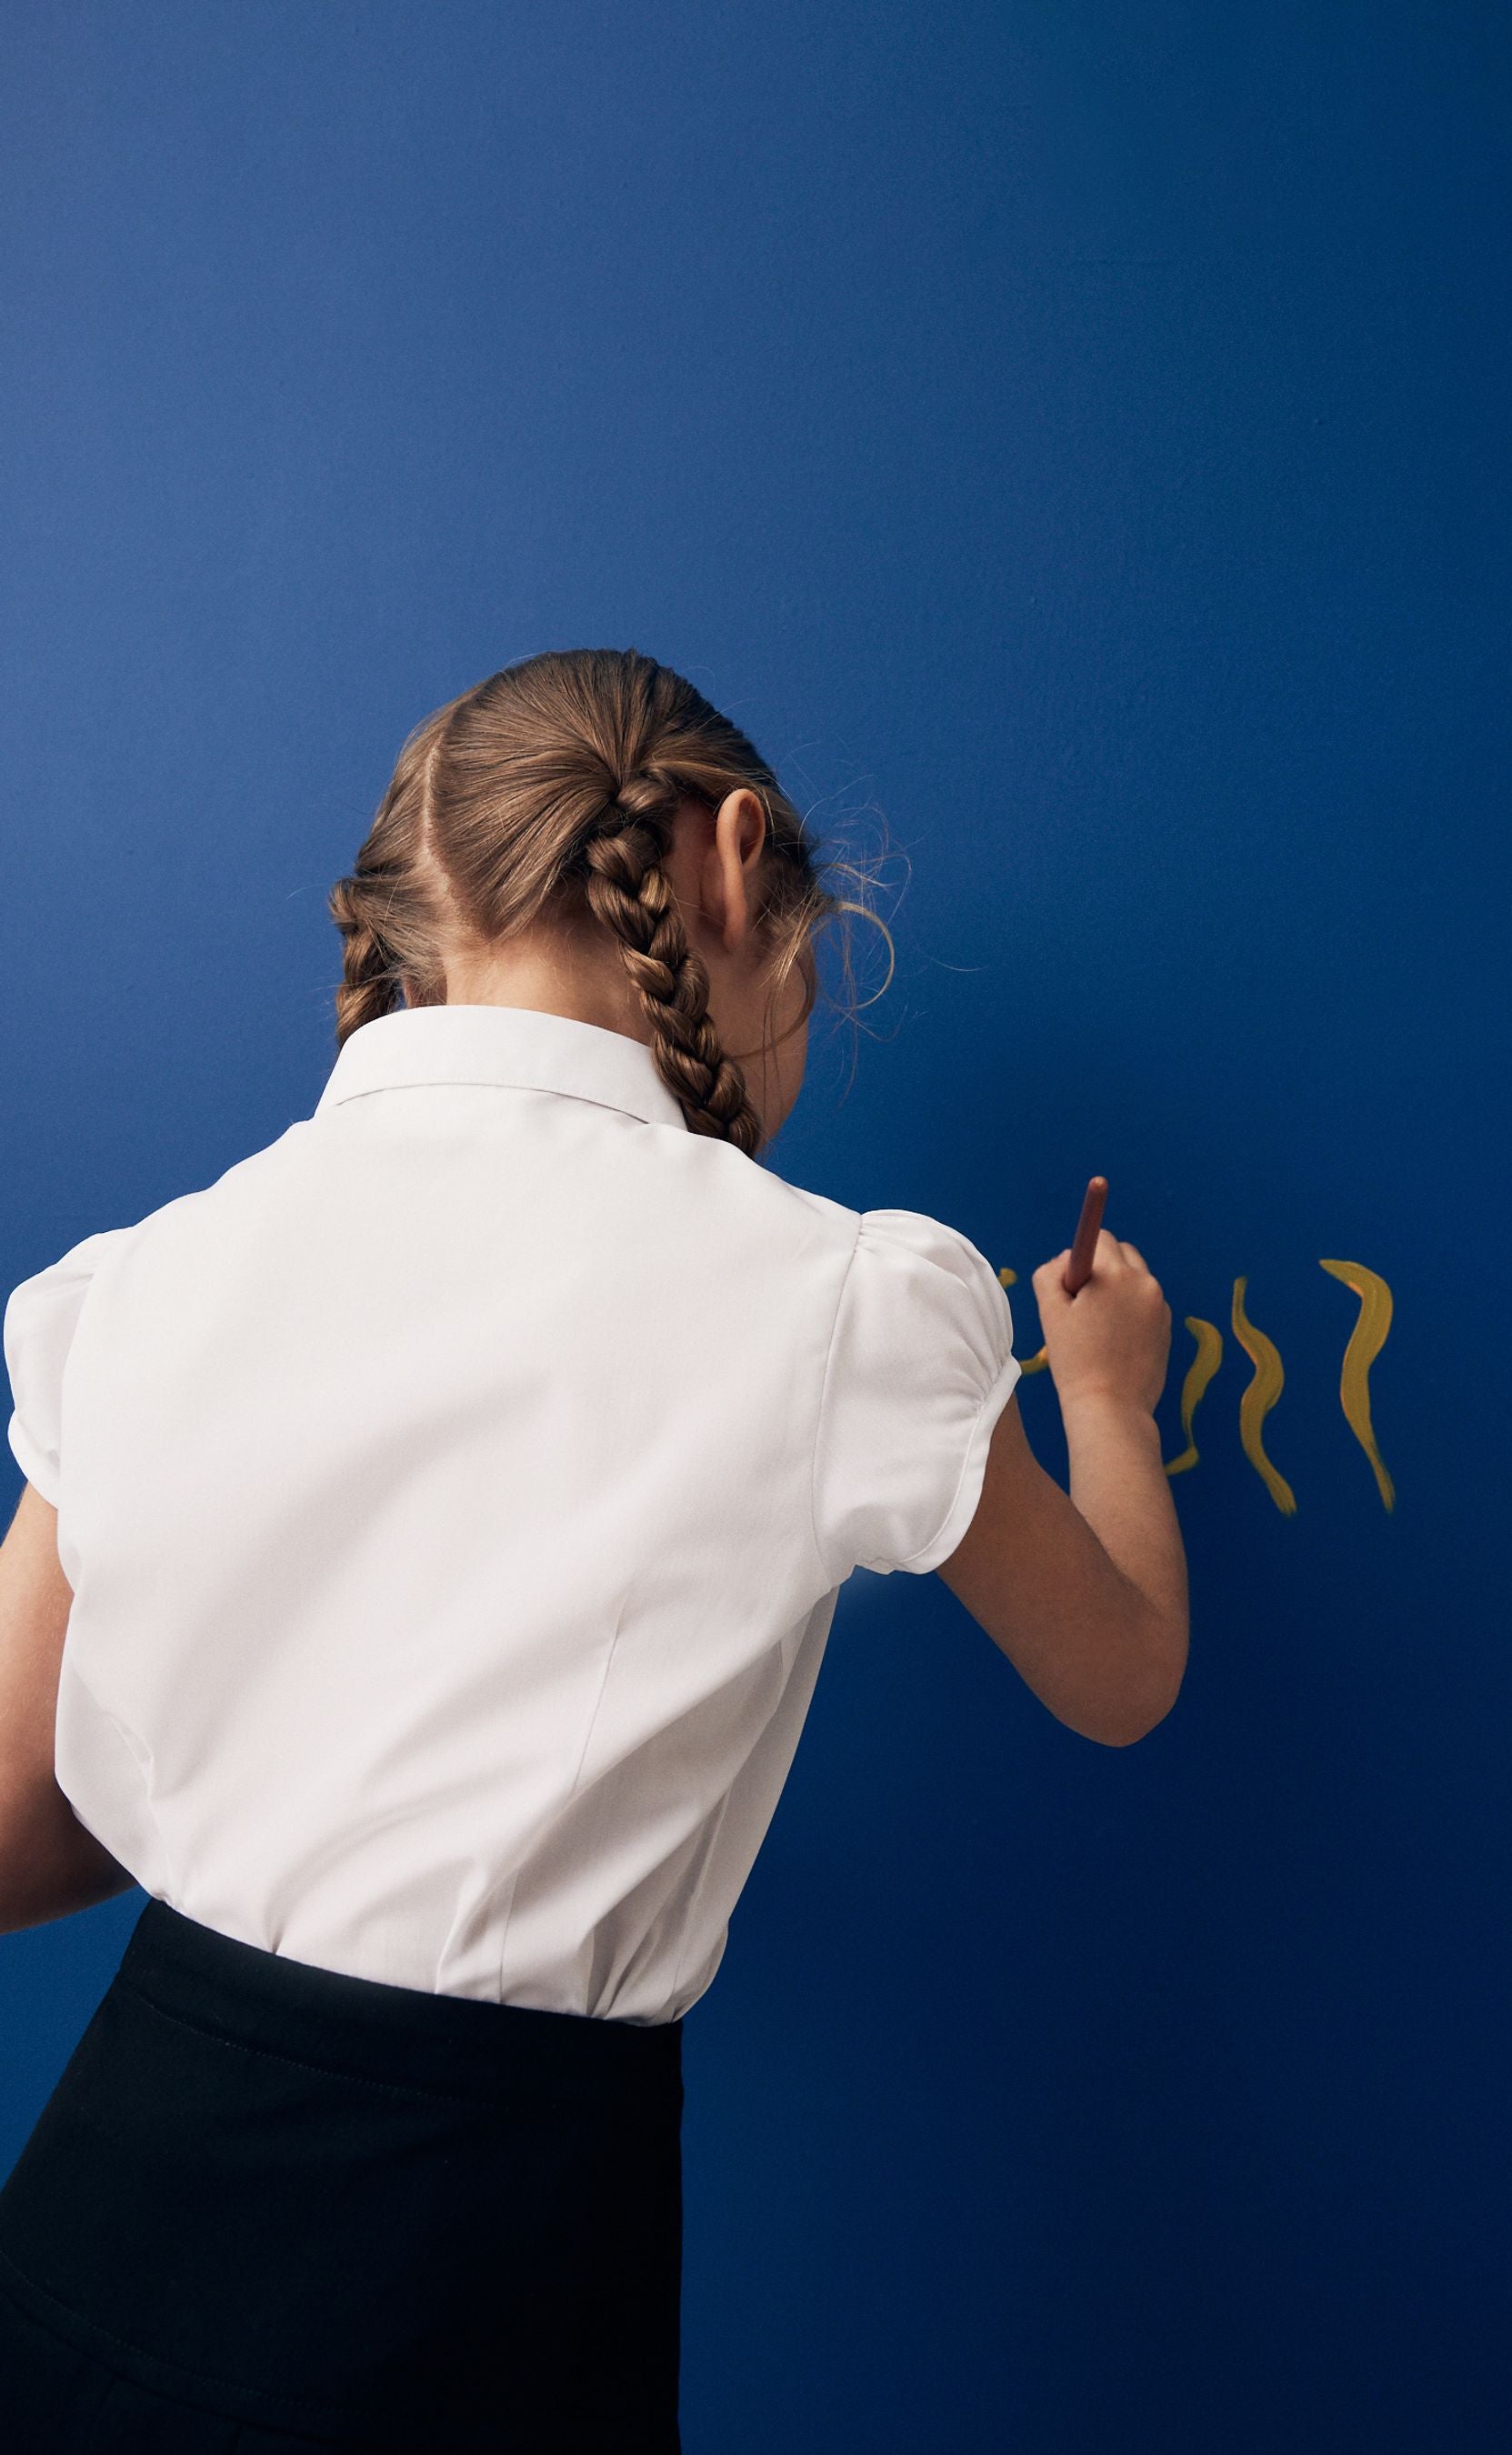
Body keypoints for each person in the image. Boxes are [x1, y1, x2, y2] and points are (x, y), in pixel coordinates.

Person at [0, 646, 1189, 2450]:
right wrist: (1107, 1392)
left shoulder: (145, 1280)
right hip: (468, 2279)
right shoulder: (841, 1297)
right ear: (731, 859)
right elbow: (1121, 1674)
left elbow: (16, 1829)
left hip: (87, 2243)